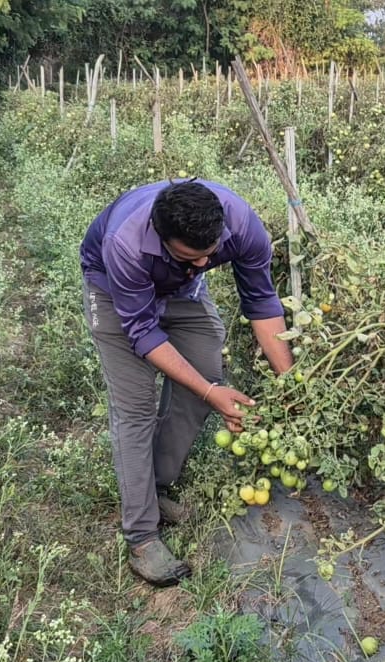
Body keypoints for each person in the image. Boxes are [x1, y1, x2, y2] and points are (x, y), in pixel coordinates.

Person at [79, 178, 293, 587]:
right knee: (135, 409)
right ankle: (142, 536)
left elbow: (262, 302)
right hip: (115, 291)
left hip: (182, 292)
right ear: (163, 237)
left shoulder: (242, 225)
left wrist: (292, 384)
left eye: (207, 257)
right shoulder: (127, 242)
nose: (202, 265)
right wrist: (213, 394)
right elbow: (142, 333)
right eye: (188, 257)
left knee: (205, 373)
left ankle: (154, 489)